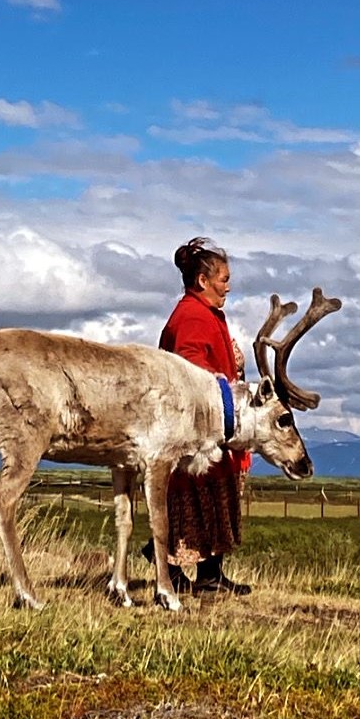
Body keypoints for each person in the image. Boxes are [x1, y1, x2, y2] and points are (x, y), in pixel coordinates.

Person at [143, 236, 251, 596]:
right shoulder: (192, 317)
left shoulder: (204, 314)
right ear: (203, 281)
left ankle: (208, 575)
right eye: (223, 279)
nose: (228, 286)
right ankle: (172, 566)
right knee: (193, 499)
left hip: (211, 427)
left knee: (213, 499)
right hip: (197, 432)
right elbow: (189, 368)